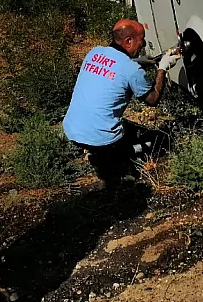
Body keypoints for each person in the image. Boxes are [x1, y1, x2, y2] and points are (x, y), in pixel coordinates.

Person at [62, 19, 181, 182]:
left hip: (73, 130)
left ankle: (100, 154)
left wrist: (139, 62)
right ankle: (118, 160)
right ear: (128, 41)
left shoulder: (94, 52)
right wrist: (162, 68)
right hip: (101, 139)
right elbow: (152, 100)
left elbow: (114, 66)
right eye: (142, 40)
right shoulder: (131, 70)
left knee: (130, 129)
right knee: (157, 141)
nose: (143, 44)